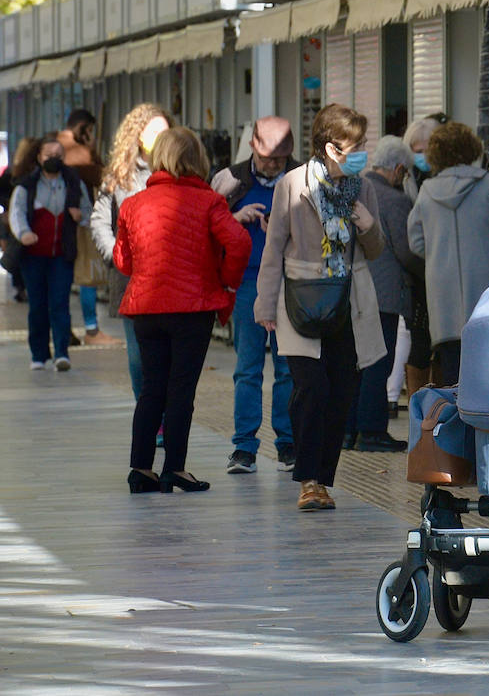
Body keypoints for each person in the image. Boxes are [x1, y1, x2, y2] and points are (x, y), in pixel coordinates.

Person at [255, 104, 388, 512]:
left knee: (341, 393)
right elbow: (274, 246)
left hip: (347, 305)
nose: (364, 151)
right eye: (357, 145)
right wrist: (264, 302)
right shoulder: (293, 185)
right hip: (300, 302)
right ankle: (308, 480)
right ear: (332, 147)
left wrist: (367, 226)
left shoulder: (363, 189)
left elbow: (377, 249)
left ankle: (323, 480)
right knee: (311, 389)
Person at [114, 127, 250, 494]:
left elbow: (122, 261)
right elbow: (239, 242)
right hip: (193, 306)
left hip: (145, 307)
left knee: (151, 389)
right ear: (198, 160)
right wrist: (226, 281)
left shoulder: (132, 204)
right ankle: (174, 468)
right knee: (180, 390)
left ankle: (140, 469)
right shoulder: (208, 203)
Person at [211, 116, 300, 475]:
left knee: (287, 368)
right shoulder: (229, 180)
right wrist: (234, 217)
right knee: (247, 368)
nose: (272, 165)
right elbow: (205, 225)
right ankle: (244, 447)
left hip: (289, 281)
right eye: (266, 158)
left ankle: (288, 444)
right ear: (252, 148)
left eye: (279, 159)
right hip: (247, 281)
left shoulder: (301, 177)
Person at [407, 122, 489, 386]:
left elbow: (415, 241)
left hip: (443, 297)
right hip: (488, 292)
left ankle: (455, 426)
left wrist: (437, 255)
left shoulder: (426, 191)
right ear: (472, 148)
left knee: (452, 373)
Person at [92, 105, 172, 398]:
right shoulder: (120, 176)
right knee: (139, 356)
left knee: (169, 356)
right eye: (152, 132)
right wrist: (116, 255)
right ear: (136, 136)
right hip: (131, 279)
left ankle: (165, 417)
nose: (158, 138)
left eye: (164, 132)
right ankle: (149, 416)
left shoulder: (180, 171)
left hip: (171, 279)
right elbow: (100, 220)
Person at [344, 135, 418, 452]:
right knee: (378, 363)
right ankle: (372, 431)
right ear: (398, 169)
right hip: (384, 294)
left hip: (352, 290)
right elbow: (407, 250)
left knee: (354, 363)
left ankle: (348, 431)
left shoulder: (353, 188)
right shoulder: (395, 199)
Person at [9, 135, 91, 372]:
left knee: (60, 303)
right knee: (37, 305)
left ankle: (62, 352)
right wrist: (24, 233)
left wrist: (80, 216)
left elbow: (87, 211)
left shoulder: (74, 183)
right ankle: (38, 354)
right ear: (38, 157)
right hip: (32, 257)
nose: (53, 159)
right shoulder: (27, 185)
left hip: (62, 255)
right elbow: (17, 213)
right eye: (48, 155)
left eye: (58, 155)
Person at [59, 109, 120, 347]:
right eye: (91, 131)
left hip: (58, 226)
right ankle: (92, 330)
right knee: (87, 276)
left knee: (61, 280)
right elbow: (100, 176)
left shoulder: (55, 145)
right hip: (78, 225)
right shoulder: (76, 151)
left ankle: (63, 330)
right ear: (83, 128)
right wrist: (93, 151)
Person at [399, 113, 446, 396]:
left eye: (429, 149)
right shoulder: (406, 182)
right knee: (418, 342)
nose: (424, 156)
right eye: (418, 151)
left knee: (442, 343)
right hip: (416, 274)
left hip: (441, 271)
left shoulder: (444, 179)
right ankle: (419, 403)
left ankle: (439, 405)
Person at [0, 137, 35, 302]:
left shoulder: (12, 172)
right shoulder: (30, 175)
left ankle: (20, 287)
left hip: (12, 220)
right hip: (24, 218)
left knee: (18, 252)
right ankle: (24, 287)